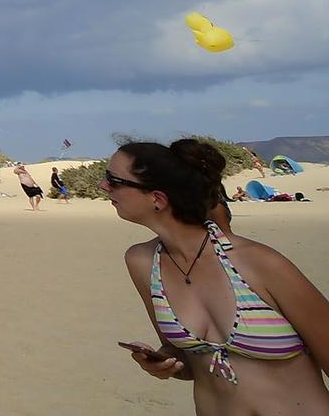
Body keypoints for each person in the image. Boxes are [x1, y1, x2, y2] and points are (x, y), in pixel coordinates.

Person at [109, 139, 329, 409]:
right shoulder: (142, 262)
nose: (103, 186)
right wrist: (165, 363)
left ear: (157, 198)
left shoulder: (259, 263)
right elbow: (187, 362)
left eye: (114, 180)